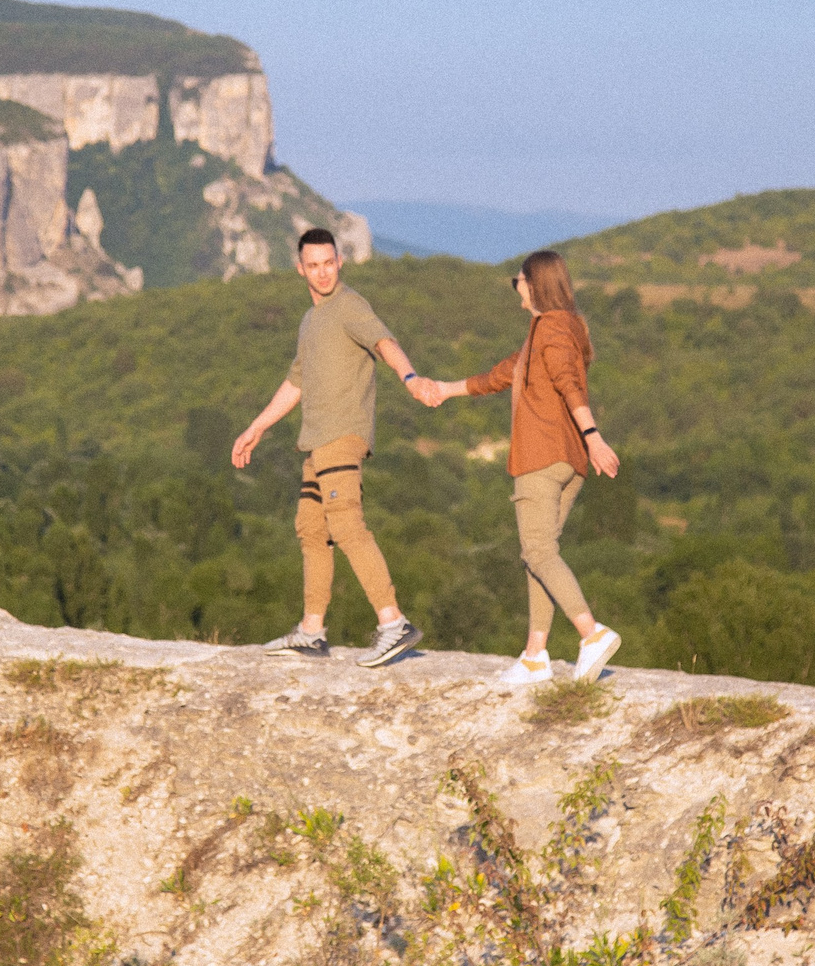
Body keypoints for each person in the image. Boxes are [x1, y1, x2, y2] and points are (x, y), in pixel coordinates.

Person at [411, 250, 622, 683]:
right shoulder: (557, 330)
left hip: (542, 457)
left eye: (518, 281)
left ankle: (591, 632)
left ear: (533, 283)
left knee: (539, 551)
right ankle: (534, 656)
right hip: (569, 464)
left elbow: (567, 383)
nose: (516, 289)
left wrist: (594, 435)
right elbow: (502, 375)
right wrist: (444, 390)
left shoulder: (550, 327)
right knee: (539, 555)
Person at [232, 228, 427, 667]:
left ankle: (393, 622)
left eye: (329, 263)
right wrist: (257, 427)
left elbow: (384, 342)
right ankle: (312, 630)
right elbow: (296, 382)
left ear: (340, 262)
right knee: (311, 528)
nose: (322, 272)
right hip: (317, 442)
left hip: (343, 435)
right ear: (300, 269)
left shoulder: (349, 305)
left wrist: (410, 377)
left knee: (346, 524)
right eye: (313, 265)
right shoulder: (310, 320)